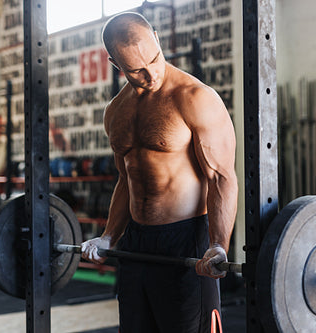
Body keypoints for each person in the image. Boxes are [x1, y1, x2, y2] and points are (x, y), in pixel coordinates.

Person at [80, 12, 238, 333]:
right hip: (136, 242)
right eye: (136, 70)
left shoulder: (195, 98)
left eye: (154, 58)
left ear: (156, 36)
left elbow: (221, 177)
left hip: (187, 240)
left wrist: (219, 244)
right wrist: (110, 235)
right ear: (115, 65)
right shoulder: (115, 111)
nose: (151, 73)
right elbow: (127, 179)